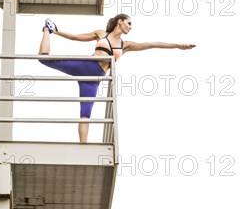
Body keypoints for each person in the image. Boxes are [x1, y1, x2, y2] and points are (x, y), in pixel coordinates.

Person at [38, 14, 195, 143]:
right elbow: (75, 37)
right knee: (43, 59)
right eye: (129, 23)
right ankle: (47, 29)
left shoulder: (126, 45)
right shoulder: (101, 34)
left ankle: (82, 148)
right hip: (85, 66)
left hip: (94, 80)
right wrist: (56, 32)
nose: (130, 27)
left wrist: (177, 45)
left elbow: (153, 44)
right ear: (120, 21)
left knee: (85, 114)